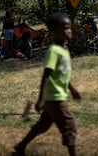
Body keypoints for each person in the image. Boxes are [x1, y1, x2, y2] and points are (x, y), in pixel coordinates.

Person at [12, 13, 81, 156]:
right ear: (55, 31)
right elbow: (46, 75)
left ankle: (20, 147)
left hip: (55, 96)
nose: (69, 31)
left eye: (70, 28)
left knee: (42, 126)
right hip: (55, 98)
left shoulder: (64, 49)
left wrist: (72, 90)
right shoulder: (54, 51)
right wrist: (40, 99)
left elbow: (62, 75)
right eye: (65, 28)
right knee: (70, 126)